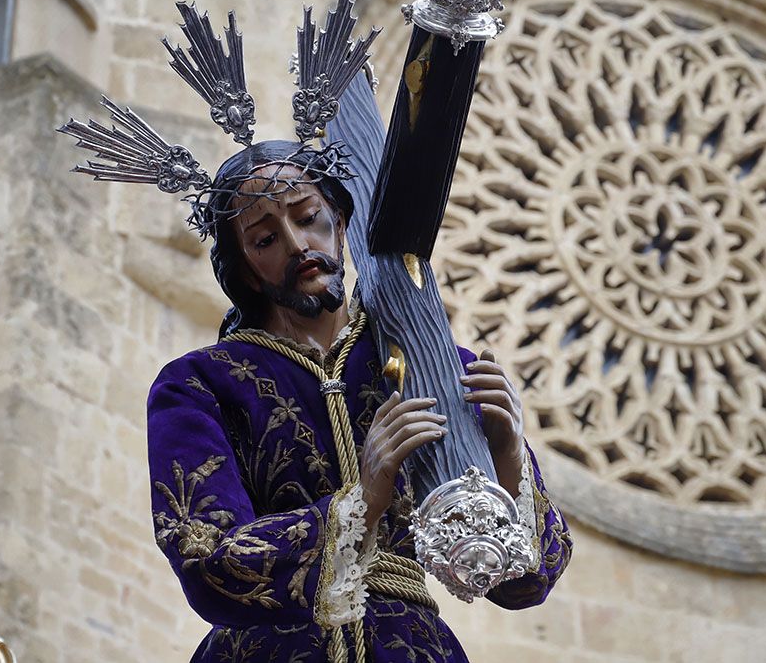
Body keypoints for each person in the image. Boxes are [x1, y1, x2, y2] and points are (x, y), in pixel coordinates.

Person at [146, 137, 572, 662]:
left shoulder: (429, 363)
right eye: (264, 240)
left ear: (341, 223)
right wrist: (364, 499)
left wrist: (505, 454)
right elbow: (206, 558)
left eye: (308, 218)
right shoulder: (199, 384)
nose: (298, 244)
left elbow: (527, 582)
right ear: (244, 266)